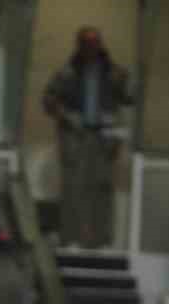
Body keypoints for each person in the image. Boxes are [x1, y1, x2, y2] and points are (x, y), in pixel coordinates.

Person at [42, 26, 133, 249]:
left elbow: (129, 102)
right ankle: (70, 238)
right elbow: (48, 100)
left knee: (103, 188)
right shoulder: (66, 73)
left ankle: (102, 240)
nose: (90, 47)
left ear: (101, 45)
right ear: (79, 46)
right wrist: (67, 115)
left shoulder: (116, 74)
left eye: (94, 43)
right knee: (72, 188)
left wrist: (119, 132)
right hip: (75, 135)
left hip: (105, 137)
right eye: (85, 43)